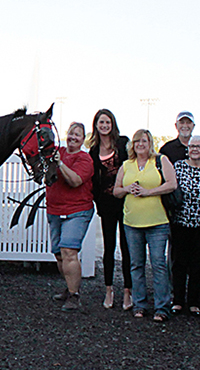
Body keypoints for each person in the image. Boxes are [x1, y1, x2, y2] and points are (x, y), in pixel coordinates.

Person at [113, 129, 176, 322]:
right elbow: (116, 191)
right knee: (136, 264)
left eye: (144, 141)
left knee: (158, 264)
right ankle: (139, 304)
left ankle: (162, 307)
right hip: (132, 222)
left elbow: (172, 184)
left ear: (150, 143)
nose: (140, 144)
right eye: (137, 141)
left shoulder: (160, 160)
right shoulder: (126, 165)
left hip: (157, 222)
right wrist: (126, 189)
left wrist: (149, 192)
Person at [46, 122, 94, 312]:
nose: (73, 137)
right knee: (59, 254)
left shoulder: (85, 159)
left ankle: (74, 295)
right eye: (71, 134)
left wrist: (59, 163)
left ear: (83, 139)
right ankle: (69, 287)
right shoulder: (59, 151)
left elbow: (75, 181)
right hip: (55, 209)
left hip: (77, 210)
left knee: (69, 251)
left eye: (78, 135)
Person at [88, 109, 132, 310]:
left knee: (127, 247)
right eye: (101, 122)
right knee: (109, 248)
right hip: (106, 204)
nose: (104, 125)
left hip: (125, 202)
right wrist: (97, 201)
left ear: (112, 124)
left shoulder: (123, 143)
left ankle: (127, 292)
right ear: (96, 125)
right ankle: (109, 290)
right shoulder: (94, 150)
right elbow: (94, 180)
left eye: (107, 122)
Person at [170, 135, 200, 315]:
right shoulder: (179, 167)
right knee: (179, 262)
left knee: (199, 263)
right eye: (192, 146)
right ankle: (177, 300)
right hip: (180, 223)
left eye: (199, 146)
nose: (195, 149)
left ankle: (194, 300)